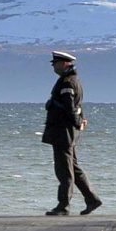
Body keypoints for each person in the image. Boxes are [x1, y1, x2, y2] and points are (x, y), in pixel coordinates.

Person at [40, 50, 102, 216]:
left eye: (56, 63)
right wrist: (79, 122)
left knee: (64, 170)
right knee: (73, 168)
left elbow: (70, 107)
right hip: (65, 131)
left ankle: (63, 206)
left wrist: (77, 122)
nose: (53, 66)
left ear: (65, 63)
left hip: (63, 131)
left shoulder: (67, 83)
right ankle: (92, 199)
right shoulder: (70, 80)